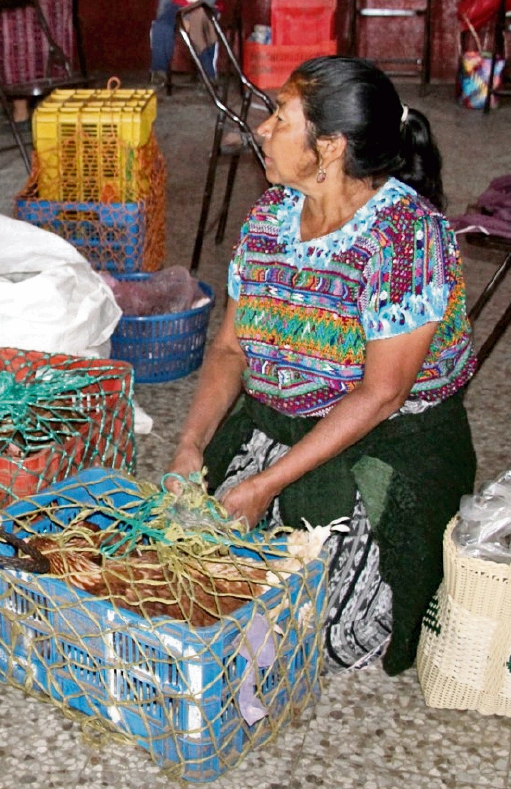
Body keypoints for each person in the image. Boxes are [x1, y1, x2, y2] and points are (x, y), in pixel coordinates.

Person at [166, 56, 476, 676]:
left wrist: (263, 484)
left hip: (382, 442)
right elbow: (231, 349)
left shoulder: (408, 240)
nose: (262, 127)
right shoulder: (269, 220)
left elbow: (382, 395)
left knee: (321, 636)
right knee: (186, 576)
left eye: (281, 116)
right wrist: (190, 444)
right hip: (276, 424)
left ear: (329, 147)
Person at [150, 0, 219, 86]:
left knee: (200, 25)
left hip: (203, 5)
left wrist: (188, 17)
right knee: (161, 26)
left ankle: (209, 74)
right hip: (175, 7)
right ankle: (159, 71)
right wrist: (161, 15)